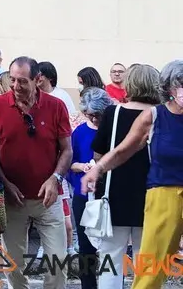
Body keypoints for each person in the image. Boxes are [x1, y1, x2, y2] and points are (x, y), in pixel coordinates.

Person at [81, 60, 183, 289]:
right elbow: (123, 149)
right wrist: (97, 170)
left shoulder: (114, 113)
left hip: (121, 192)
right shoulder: (155, 116)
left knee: (120, 258)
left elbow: (103, 151)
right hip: (157, 195)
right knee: (148, 264)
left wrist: (98, 168)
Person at [0, 57, 71, 289]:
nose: (15, 86)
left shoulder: (56, 106)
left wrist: (55, 179)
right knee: (13, 264)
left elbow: (67, 150)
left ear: (38, 80)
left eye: (22, 81)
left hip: (48, 199)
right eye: (12, 80)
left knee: (58, 262)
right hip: (13, 200)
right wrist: (5, 183)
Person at [89, 64, 160, 289]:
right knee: (145, 258)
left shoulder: (113, 112)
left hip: (114, 192)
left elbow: (99, 153)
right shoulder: (161, 115)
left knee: (110, 257)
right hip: (150, 194)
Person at [68, 88, 111, 289]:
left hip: (109, 195)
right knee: (86, 247)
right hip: (84, 195)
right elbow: (70, 163)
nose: (93, 118)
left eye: (97, 114)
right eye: (89, 114)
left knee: (111, 246)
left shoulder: (113, 129)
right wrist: (84, 166)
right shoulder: (79, 132)